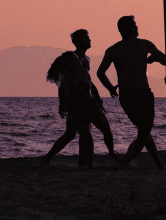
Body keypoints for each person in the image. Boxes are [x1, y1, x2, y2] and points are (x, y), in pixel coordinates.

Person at [96, 16, 166, 170]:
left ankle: (159, 164)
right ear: (130, 28)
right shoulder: (144, 44)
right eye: (135, 25)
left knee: (144, 132)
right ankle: (123, 163)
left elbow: (100, 72)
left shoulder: (113, 49)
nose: (137, 27)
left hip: (126, 96)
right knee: (144, 133)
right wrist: (155, 58)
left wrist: (110, 88)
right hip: (142, 94)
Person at [40, 29, 121, 168]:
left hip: (89, 100)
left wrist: (98, 97)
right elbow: (64, 83)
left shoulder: (86, 59)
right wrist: (63, 103)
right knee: (78, 134)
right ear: (77, 42)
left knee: (90, 131)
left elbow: (88, 81)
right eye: (86, 38)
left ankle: (102, 155)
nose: (89, 40)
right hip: (76, 103)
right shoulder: (72, 57)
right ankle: (83, 162)